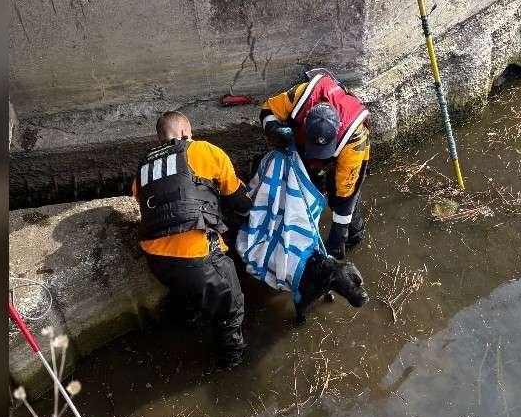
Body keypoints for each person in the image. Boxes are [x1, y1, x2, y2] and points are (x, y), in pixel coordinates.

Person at [132, 111, 252, 369]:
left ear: (159, 140)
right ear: (186, 133)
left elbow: (143, 199)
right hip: (198, 260)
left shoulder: (144, 167)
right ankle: (232, 363)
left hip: (157, 261)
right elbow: (237, 197)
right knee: (230, 308)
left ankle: (190, 320)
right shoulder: (203, 150)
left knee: (188, 294)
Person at [259, 68, 369, 259]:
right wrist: (272, 128)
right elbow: (268, 109)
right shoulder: (302, 96)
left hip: (348, 154)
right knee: (308, 185)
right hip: (304, 144)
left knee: (338, 198)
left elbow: (346, 197)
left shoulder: (354, 140)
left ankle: (355, 234)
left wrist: (338, 235)